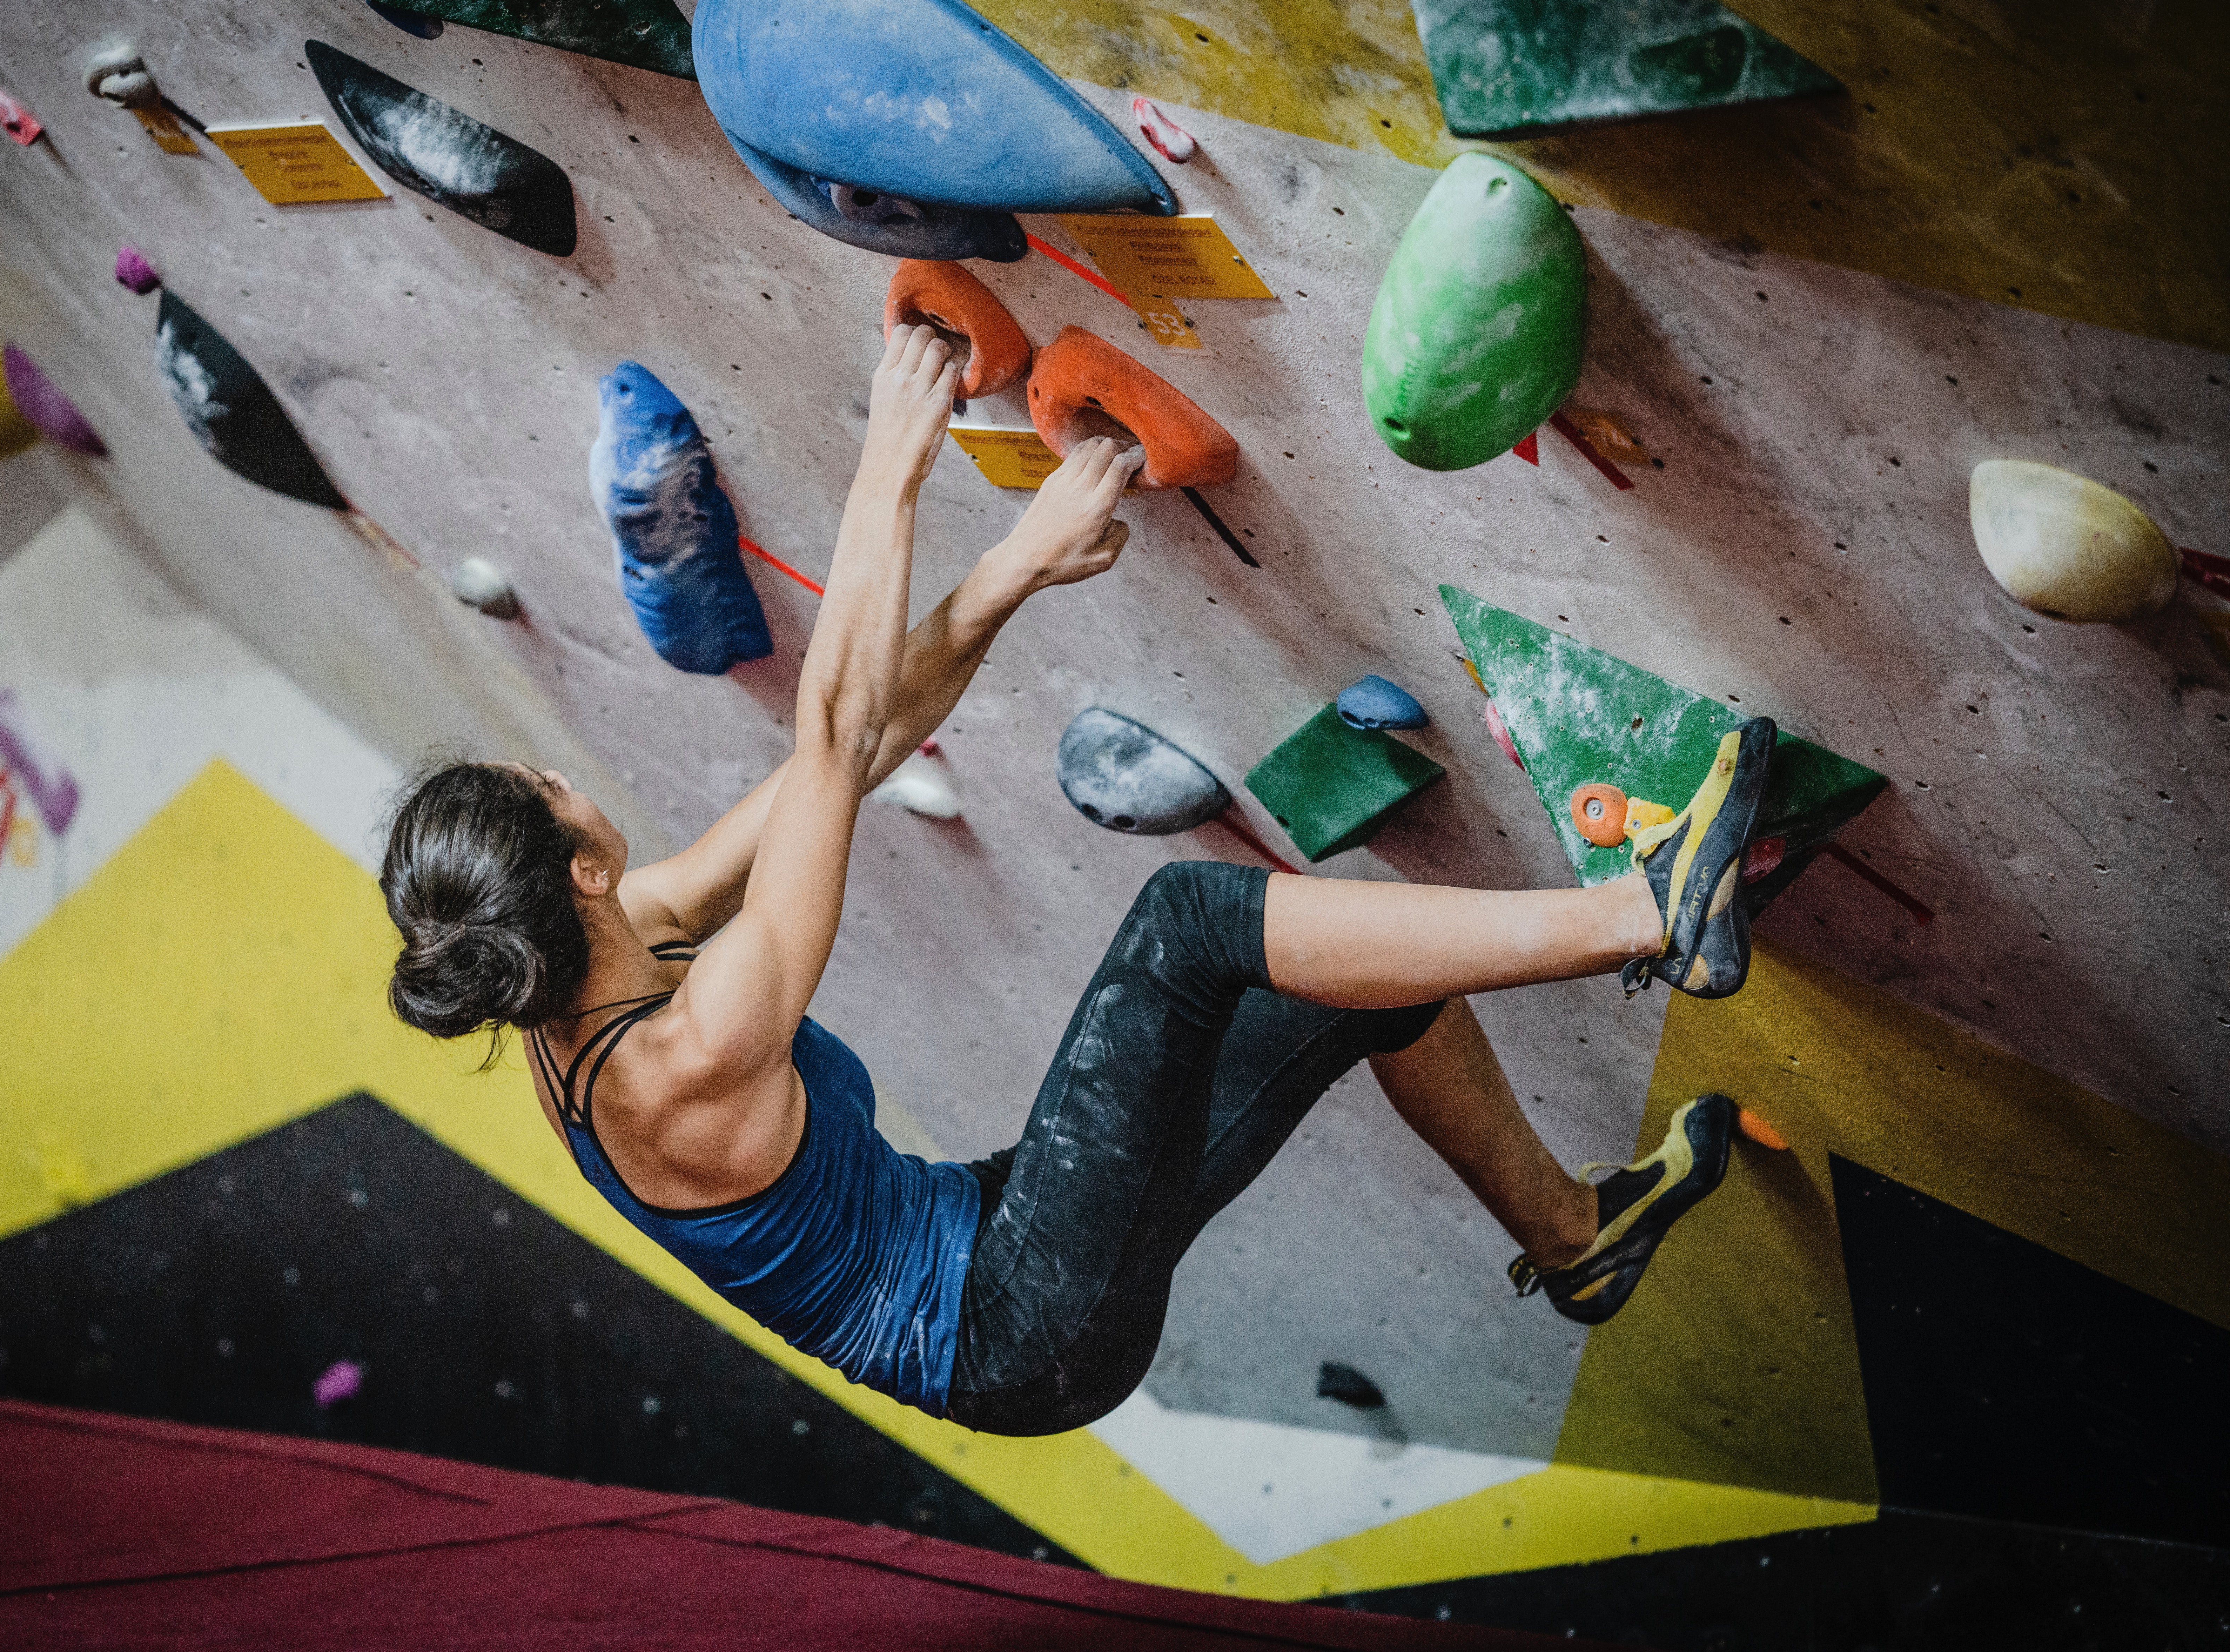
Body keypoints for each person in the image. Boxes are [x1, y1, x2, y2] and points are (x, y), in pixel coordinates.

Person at [379, 326, 1768, 1437]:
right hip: (1015, 1334)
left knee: (1357, 982)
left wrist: (1009, 575)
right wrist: (891, 460)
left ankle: (1577, 1237)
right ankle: (1647, 913)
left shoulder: (615, 942)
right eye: (543, 787)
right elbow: (829, 730)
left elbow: (849, 759)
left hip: (997, 1231)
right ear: (575, 862)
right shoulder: (685, 1054)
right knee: (1191, 925)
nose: (564, 776)